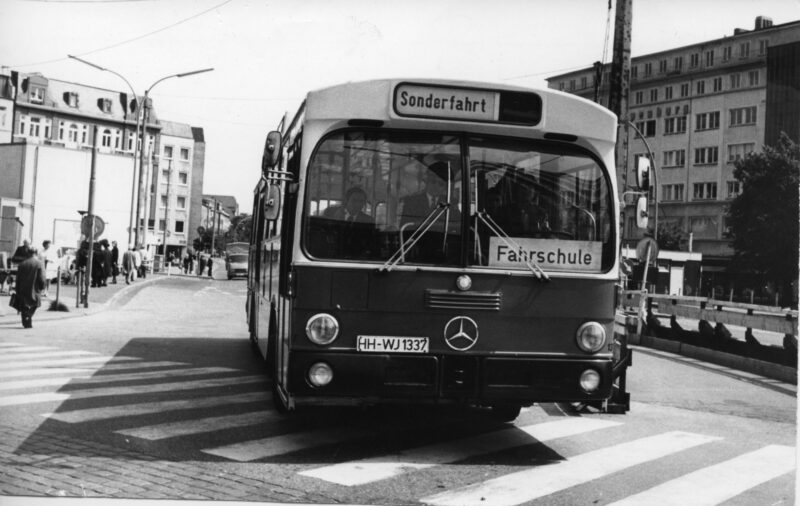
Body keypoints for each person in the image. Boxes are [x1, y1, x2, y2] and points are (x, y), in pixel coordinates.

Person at [12, 246, 46, 329]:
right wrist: (42, 286)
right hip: (34, 288)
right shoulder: (39, 263)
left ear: (28, 253)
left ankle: (26, 322)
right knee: (36, 303)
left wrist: (17, 288)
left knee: (24, 305)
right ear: (36, 253)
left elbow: (18, 278)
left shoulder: (22, 264)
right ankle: (28, 316)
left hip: (23, 288)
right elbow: (42, 277)